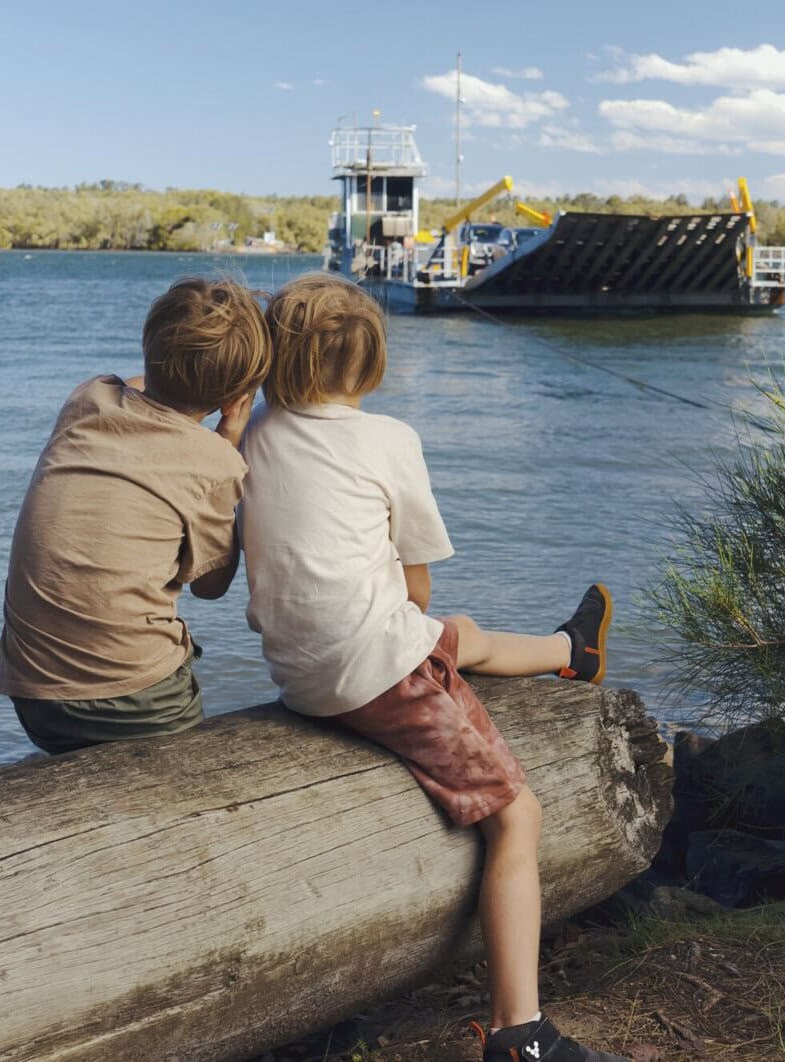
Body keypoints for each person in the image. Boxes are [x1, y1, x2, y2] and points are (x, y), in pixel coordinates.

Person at [239, 274, 624, 1062]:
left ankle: (570, 652)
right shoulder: (388, 440)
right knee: (519, 817)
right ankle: (522, 1034)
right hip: (379, 674)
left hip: (302, 672)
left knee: (461, 636)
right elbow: (415, 585)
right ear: (372, 363)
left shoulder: (254, 436)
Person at [0, 275, 270, 754]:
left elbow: (140, 392)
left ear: (148, 349)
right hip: (140, 705)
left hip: (33, 696)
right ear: (235, 397)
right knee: (198, 769)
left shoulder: (87, 399)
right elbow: (210, 586)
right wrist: (231, 438)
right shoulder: (214, 461)